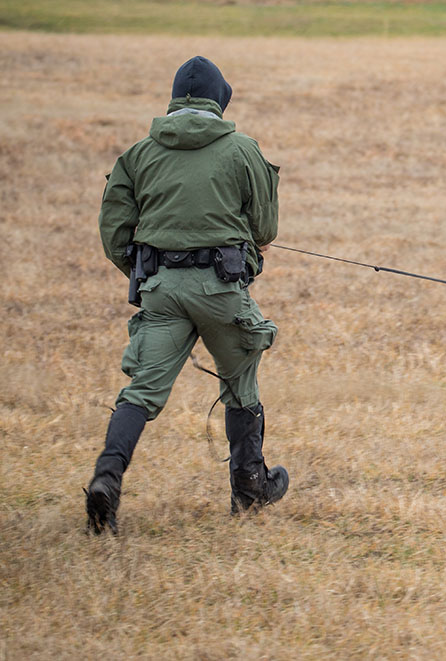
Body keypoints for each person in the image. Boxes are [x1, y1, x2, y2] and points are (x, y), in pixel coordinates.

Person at [86, 56, 288, 534]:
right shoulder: (243, 151)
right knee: (240, 384)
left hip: (160, 291)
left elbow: (114, 231)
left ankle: (106, 480)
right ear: (220, 102)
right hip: (222, 289)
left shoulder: (137, 155)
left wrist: (144, 271)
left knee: (139, 393)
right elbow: (266, 227)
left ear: (175, 100)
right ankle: (249, 487)